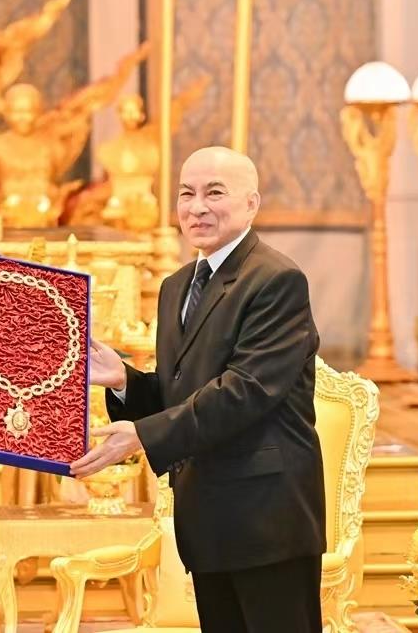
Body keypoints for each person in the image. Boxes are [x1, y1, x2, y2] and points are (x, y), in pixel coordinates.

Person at [72, 146, 325, 632]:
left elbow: (244, 391)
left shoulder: (276, 280)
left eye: (215, 193)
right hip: (208, 519)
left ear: (251, 203)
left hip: (267, 519)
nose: (197, 207)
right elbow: (183, 391)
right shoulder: (177, 285)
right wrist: (125, 380)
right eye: (186, 194)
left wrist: (143, 435)